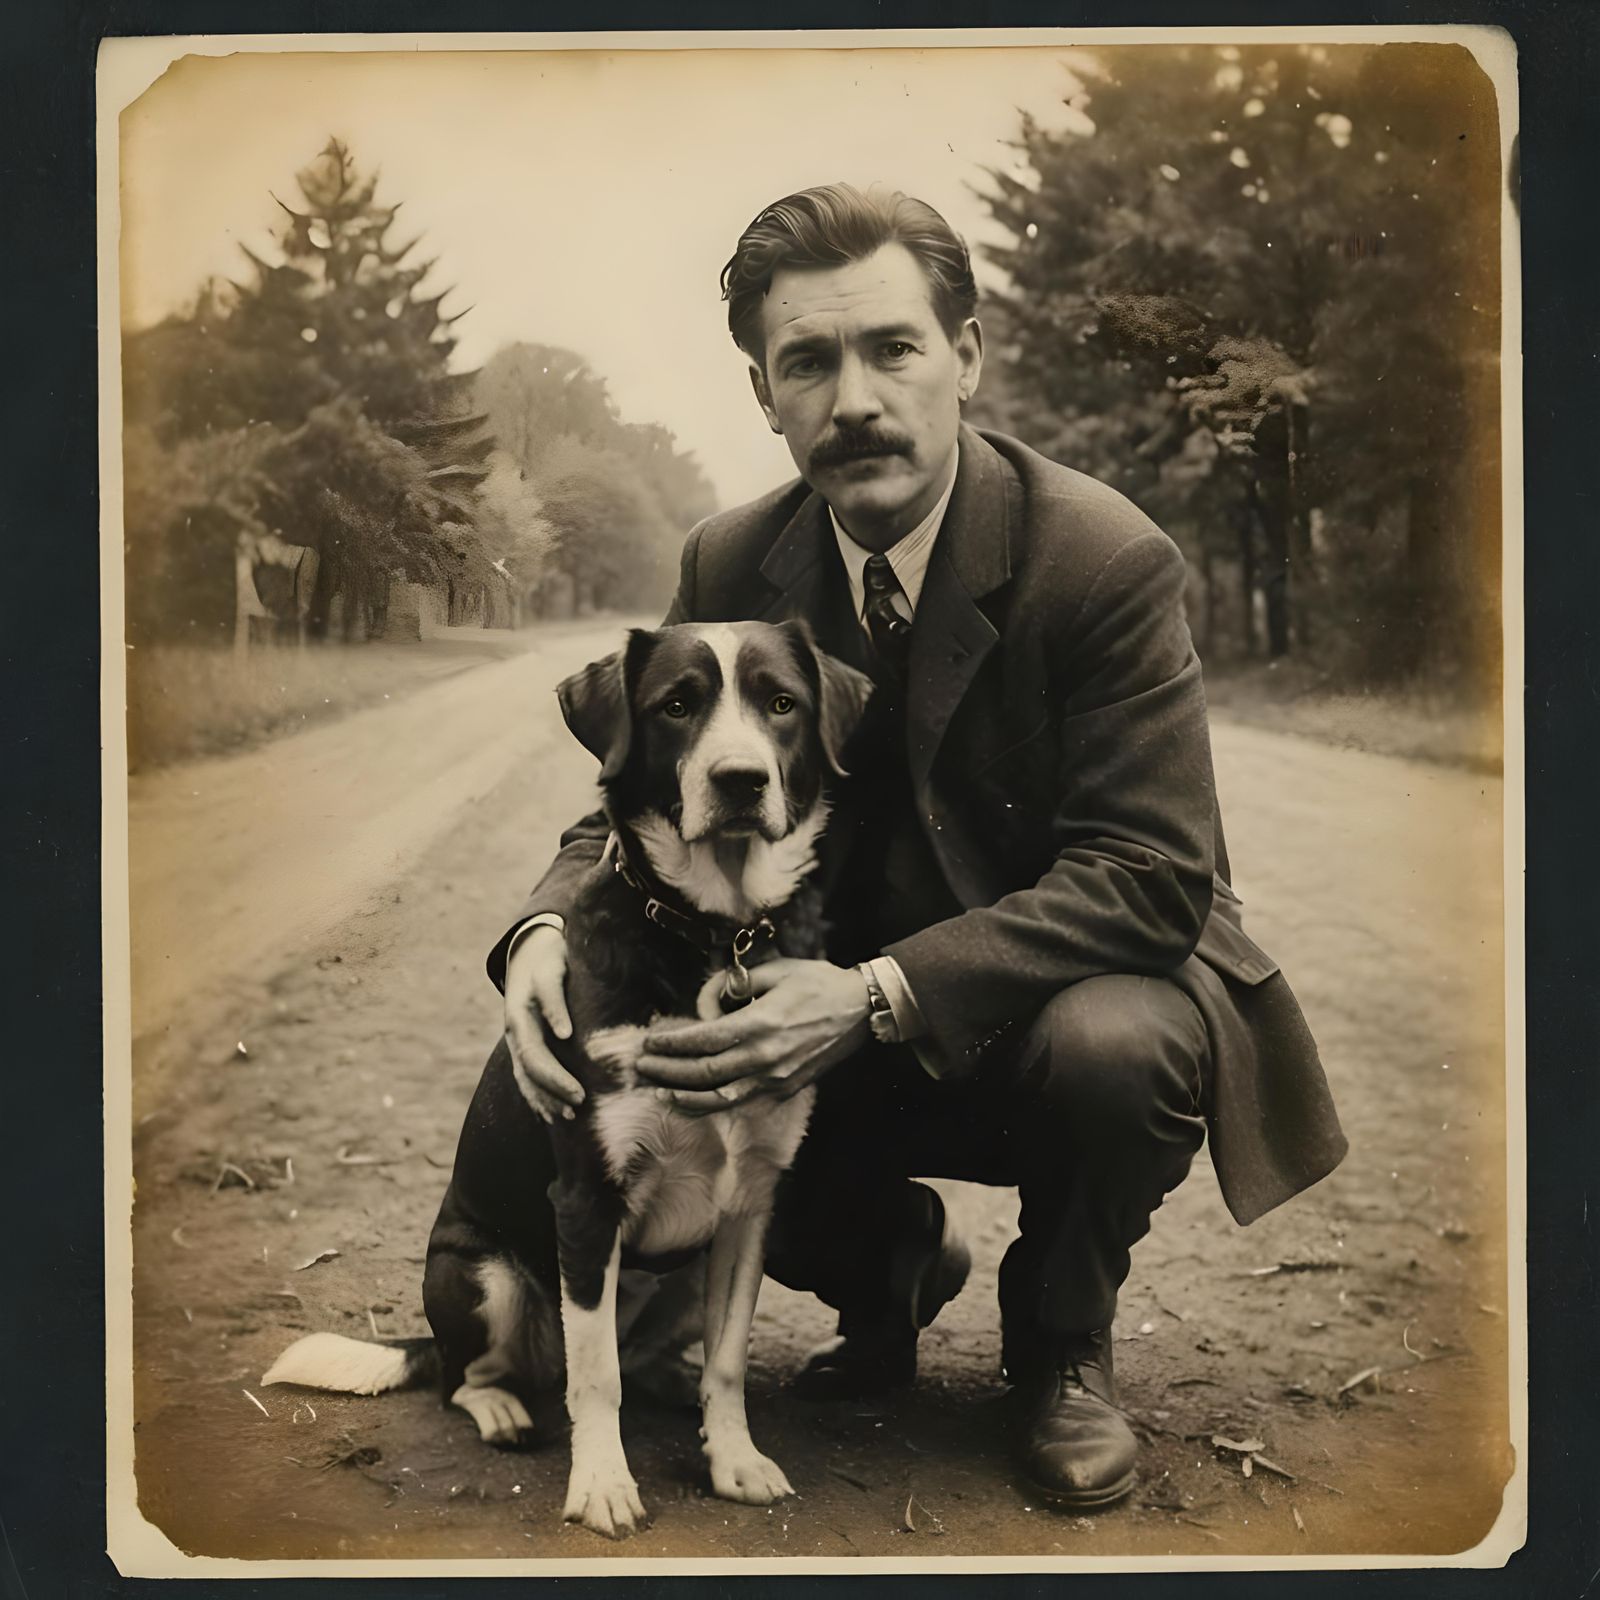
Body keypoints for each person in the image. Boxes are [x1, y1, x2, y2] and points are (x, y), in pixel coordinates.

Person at [489, 183, 1346, 1509]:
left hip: (1035, 1008)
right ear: (767, 394)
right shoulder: (733, 555)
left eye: (892, 347)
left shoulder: (1102, 559)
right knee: (668, 1059)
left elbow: (1156, 875)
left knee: (1119, 1045)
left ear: (968, 356)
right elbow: (632, 781)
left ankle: (1062, 1351)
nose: (855, 400)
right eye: (808, 361)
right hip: (829, 1011)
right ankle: (887, 1263)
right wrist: (545, 927)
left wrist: (878, 995)